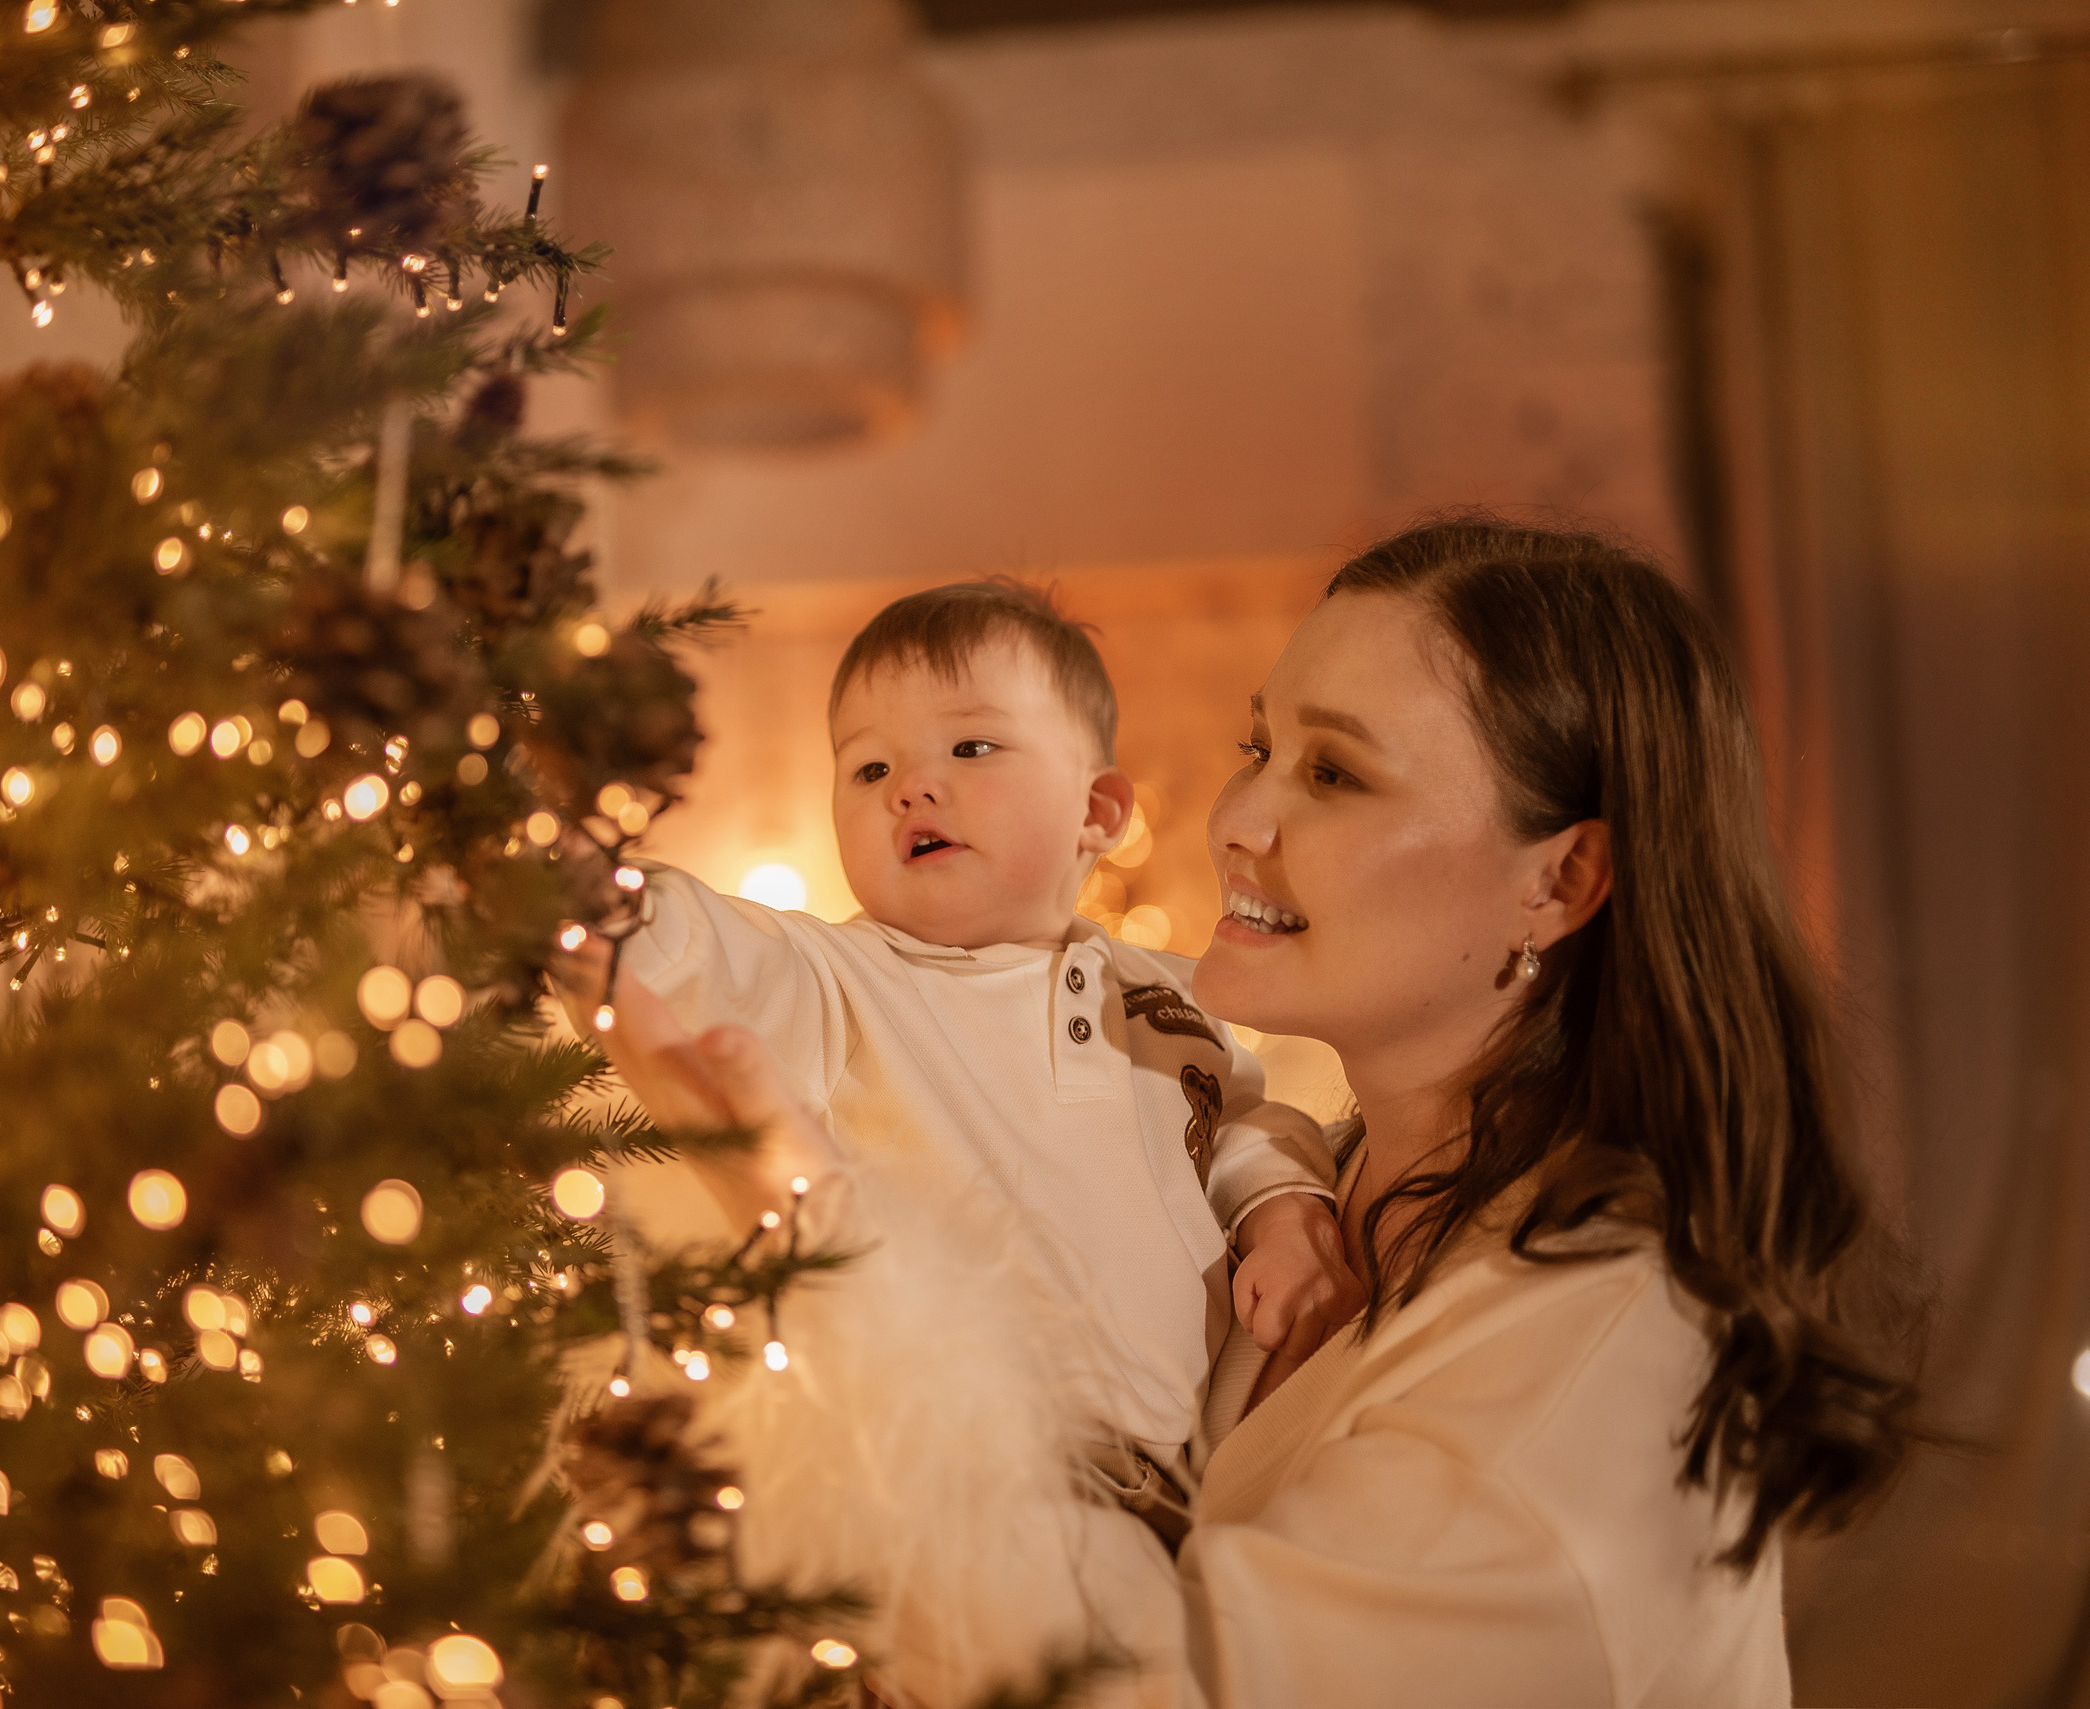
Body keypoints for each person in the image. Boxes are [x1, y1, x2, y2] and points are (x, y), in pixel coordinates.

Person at [588, 521, 1921, 1708]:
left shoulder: (1590, 1375)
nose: (1239, 819)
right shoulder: (1301, 1184)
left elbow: (1149, 1684)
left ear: (1561, 878)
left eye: (1335, 774)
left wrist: (812, 1240)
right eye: (1259, 745)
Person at [603, 582, 1353, 1509]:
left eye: (971, 746)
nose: (911, 785)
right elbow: (706, 950)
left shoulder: (1172, 989)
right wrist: (592, 881)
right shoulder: (837, 980)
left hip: (1180, 1478)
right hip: (967, 1480)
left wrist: (1281, 1214)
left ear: (1098, 812)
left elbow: (1243, 1120)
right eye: (869, 769)